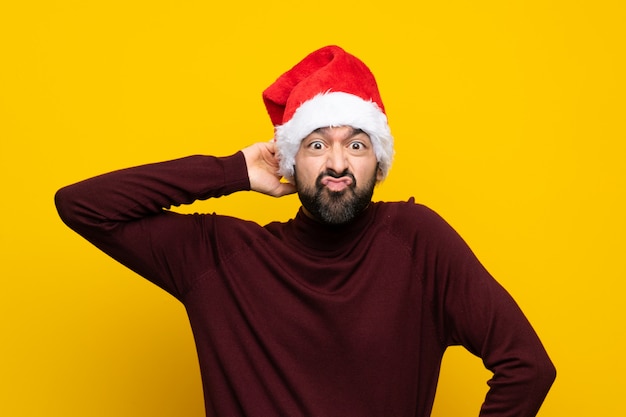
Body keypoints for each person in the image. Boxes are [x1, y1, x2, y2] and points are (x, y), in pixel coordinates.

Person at [55, 45, 556, 417]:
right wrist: (232, 171)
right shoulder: (222, 258)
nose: (337, 163)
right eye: (316, 145)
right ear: (288, 161)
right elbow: (83, 206)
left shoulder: (416, 241)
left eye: (356, 145)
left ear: (378, 161)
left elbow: (527, 367)